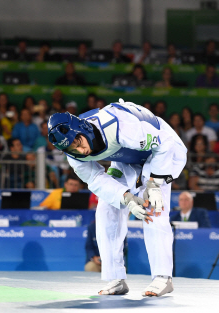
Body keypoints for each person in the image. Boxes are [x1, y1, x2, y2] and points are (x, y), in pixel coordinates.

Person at [47, 98, 187, 297]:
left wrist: (154, 183)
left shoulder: (117, 125)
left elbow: (164, 143)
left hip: (162, 151)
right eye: (70, 148)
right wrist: (127, 198)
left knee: (154, 204)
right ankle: (116, 278)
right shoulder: (74, 155)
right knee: (105, 208)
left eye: (77, 142)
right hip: (125, 160)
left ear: (82, 129)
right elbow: (95, 178)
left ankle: (163, 277)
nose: (80, 150)